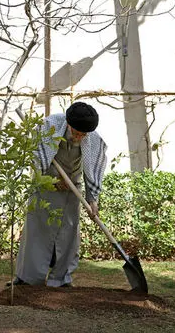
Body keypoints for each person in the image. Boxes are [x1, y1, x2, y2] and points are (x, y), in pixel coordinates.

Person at [11, 101, 107, 287]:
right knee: (37, 232)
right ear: (68, 124)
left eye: (83, 134)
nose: (79, 137)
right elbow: (37, 160)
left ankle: (61, 280)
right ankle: (28, 279)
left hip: (72, 190)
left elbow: (93, 171)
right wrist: (53, 181)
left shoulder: (93, 139)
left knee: (69, 235)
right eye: (76, 132)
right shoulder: (50, 127)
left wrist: (92, 200)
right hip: (45, 186)